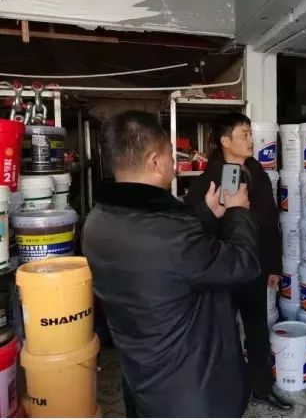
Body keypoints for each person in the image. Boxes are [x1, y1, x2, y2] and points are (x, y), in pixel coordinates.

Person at [82, 110, 261, 417]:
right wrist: (238, 213)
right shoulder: (172, 235)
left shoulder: (96, 221)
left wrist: (204, 215)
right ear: (154, 161)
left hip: (141, 379)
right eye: (170, 155)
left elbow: (165, 262)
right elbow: (243, 264)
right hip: (192, 392)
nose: (174, 163)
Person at [185, 113, 293, 410]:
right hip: (222, 271)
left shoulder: (258, 172)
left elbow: (270, 223)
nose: (251, 140)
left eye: (250, 133)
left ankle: (262, 387)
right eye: (244, 134)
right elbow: (192, 229)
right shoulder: (208, 180)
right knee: (222, 334)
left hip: (253, 267)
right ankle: (223, 391)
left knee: (257, 328)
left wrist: (273, 266)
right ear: (225, 141)